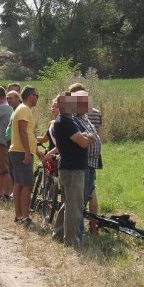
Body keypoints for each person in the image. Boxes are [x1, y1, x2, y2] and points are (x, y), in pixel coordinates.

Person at [50, 93, 94, 249]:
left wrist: (85, 137)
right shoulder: (65, 122)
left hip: (70, 167)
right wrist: (88, 137)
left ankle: (58, 234)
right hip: (73, 168)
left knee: (68, 203)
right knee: (74, 206)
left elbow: (79, 138)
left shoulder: (66, 121)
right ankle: (71, 241)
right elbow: (82, 142)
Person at [69, 90, 102, 234]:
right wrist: (89, 138)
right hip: (83, 163)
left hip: (91, 163)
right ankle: (76, 231)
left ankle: (80, 229)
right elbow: (81, 139)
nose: (89, 103)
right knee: (79, 198)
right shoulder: (74, 119)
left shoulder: (85, 117)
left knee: (85, 196)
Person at [8, 85, 42, 226]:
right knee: (26, 184)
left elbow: (28, 133)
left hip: (20, 151)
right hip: (21, 152)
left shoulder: (24, 109)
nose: (37, 99)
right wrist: (28, 152)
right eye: (37, 96)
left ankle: (19, 215)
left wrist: (36, 150)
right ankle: (24, 215)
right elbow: (22, 132)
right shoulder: (23, 109)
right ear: (31, 96)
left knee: (20, 184)